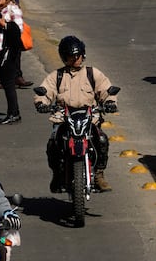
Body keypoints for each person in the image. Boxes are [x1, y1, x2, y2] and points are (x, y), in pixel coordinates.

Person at [34, 35, 118, 192]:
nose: (74, 59)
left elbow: (106, 89)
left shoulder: (92, 73)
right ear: (63, 57)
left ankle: (99, 174)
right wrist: (41, 103)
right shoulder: (57, 76)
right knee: (53, 144)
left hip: (89, 118)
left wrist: (110, 102)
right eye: (70, 56)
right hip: (63, 120)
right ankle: (57, 174)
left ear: (83, 54)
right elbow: (45, 91)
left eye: (77, 55)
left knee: (101, 140)